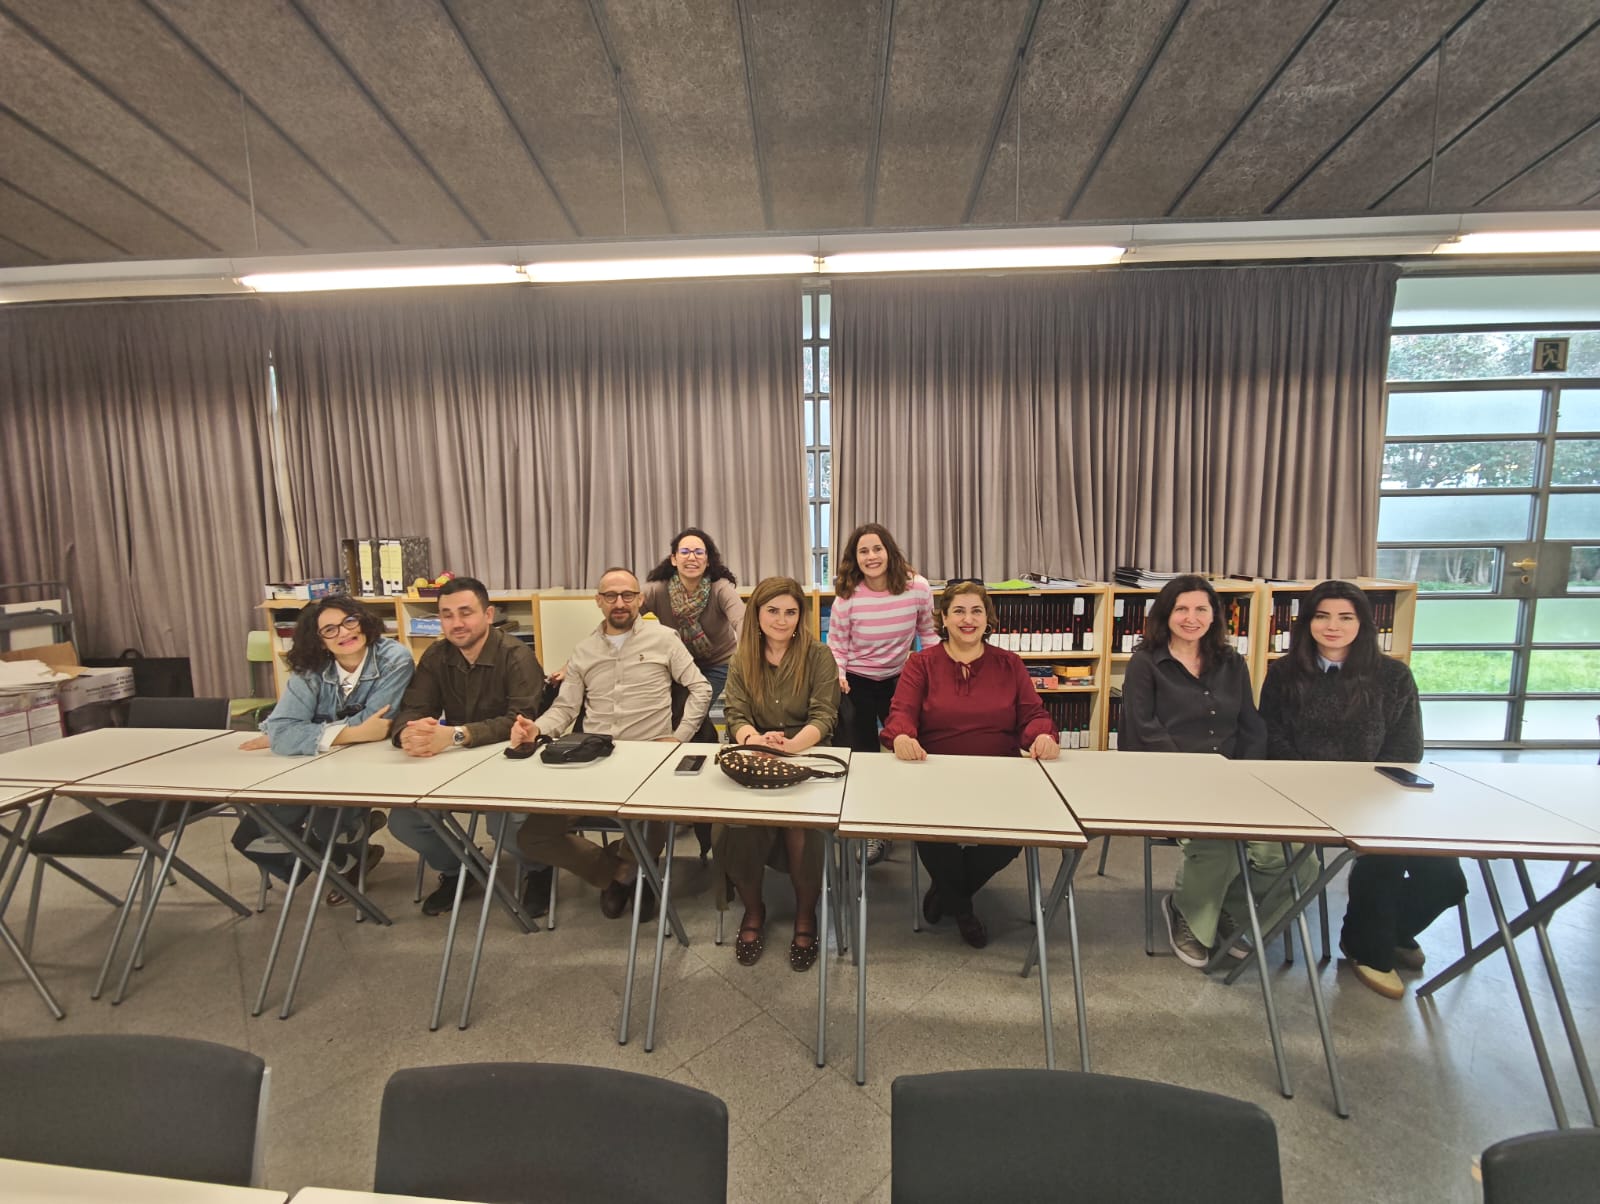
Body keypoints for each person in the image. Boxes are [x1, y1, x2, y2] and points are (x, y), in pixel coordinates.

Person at [1259, 579, 1452, 1000]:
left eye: (1346, 617)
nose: (1333, 626)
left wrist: (1369, 793)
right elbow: (1272, 737)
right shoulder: (1285, 674)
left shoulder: (1394, 676)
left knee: (1446, 878)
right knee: (1382, 859)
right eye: (1322, 616)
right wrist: (1313, 782)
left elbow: (1406, 748)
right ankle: (1370, 947)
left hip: (1376, 795)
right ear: (1307, 622)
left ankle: (1390, 929)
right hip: (1305, 793)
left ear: (1363, 623)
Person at [1120, 574, 1315, 969]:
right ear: (1166, 614)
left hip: (1233, 781)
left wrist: (1246, 777)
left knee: (1296, 858)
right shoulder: (1145, 663)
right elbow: (1143, 729)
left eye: (1201, 609)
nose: (1191, 618)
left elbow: (1250, 725)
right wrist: (1195, 774)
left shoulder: (1231, 662)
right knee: (1217, 846)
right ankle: (1193, 916)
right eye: (1181, 609)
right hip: (1171, 780)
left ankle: (1222, 909)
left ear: (1214, 616)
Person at [509, 567, 711, 918]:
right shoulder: (584, 650)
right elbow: (565, 708)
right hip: (592, 759)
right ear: (598, 601)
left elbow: (700, 688)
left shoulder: (665, 639)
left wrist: (678, 738)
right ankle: (618, 872)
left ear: (640, 599)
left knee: (652, 817)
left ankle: (636, 867)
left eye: (628, 595)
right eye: (611, 596)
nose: (620, 603)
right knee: (532, 836)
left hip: (649, 760)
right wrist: (536, 730)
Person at [878, 580, 1059, 948]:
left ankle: (948, 892)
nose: (968, 619)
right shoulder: (921, 664)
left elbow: (1033, 715)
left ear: (987, 619)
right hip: (935, 776)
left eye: (976, 611)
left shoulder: (1009, 664)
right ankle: (963, 909)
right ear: (943, 618)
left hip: (999, 777)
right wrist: (902, 737)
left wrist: (1042, 735)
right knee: (930, 833)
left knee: (1012, 838)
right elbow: (901, 713)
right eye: (958, 611)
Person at [233, 595, 413, 900]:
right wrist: (350, 733)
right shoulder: (310, 666)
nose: (344, 633)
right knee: (252, 837)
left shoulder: (394, 658)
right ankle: (342, 860)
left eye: (349, 621)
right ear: (318, 640)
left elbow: (376, 725)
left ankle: (345, 854)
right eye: (330, 630)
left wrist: (303, 733)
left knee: (328, 823)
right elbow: (282, 730)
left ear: (362, 621)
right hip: (309, 764)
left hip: (364, 764)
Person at [387, 576, 546, 915]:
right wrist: (408, 734)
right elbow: (414, 708)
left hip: (511, 762)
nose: (456, 623)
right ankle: (460, 867)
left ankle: (539, 869)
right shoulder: (437, 655)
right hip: (455, 762)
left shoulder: (517, 656)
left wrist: (458, 735)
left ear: (488, 614)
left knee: (504, 824)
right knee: (404, 820)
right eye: (446, 615)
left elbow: (520, 720)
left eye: (465, 612)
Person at [719, 575, 840, 972]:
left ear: (801, 616)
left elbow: (824, 715)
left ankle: (806, 915)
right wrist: (756, 740)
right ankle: (754, 910)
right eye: (773, 611)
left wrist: (790, 746)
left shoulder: (819, 655)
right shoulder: (742, 658)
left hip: (806, 754)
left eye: (790, 612)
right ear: (757, 614)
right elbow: (735, 714)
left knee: (802, 828)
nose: (782, 620)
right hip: (755, 756)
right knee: (736, 828)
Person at [829, 522, 936, 868]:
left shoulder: (917, 588)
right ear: (855, 558)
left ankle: (903, 814)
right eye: (863, 551)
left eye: (877, 549)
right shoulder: (847, 597)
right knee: (863, 756)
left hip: (899, 679)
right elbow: (837, 645)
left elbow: (928, 633)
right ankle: (871, 826)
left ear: (889, 551)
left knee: (906, 747)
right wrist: (839, 674)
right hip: (857, 681)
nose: (871, 556)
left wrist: (936, 674)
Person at [642, 527, 744, 707]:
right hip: (676, 664)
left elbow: (742, 621)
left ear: (708, 560)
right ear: (674, 559)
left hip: (717, 664)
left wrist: (749, 657)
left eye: (698, 552)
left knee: (695, 709)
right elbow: (629, 610)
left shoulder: (720, 588)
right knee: (670, 710)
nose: (692, 557)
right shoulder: (657, 589)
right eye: (685, 552)